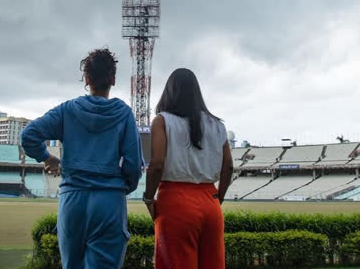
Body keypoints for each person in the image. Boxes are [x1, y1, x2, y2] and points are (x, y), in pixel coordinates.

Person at [20, 47, 143, 269]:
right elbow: (133, 165)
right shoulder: (123, 113)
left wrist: (48, 158)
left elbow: (28, 135)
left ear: (86, 79)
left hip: (72, 201)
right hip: (109, 202)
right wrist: (122, 187)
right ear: (113, 79)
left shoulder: (67, 110)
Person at [143, 68, 234, 269]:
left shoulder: (162, 120)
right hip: (210, 202)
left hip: (175, 202)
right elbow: (228, 165)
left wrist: (149, 197)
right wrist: (219, 196)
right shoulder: (217, 125)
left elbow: (157, 164)